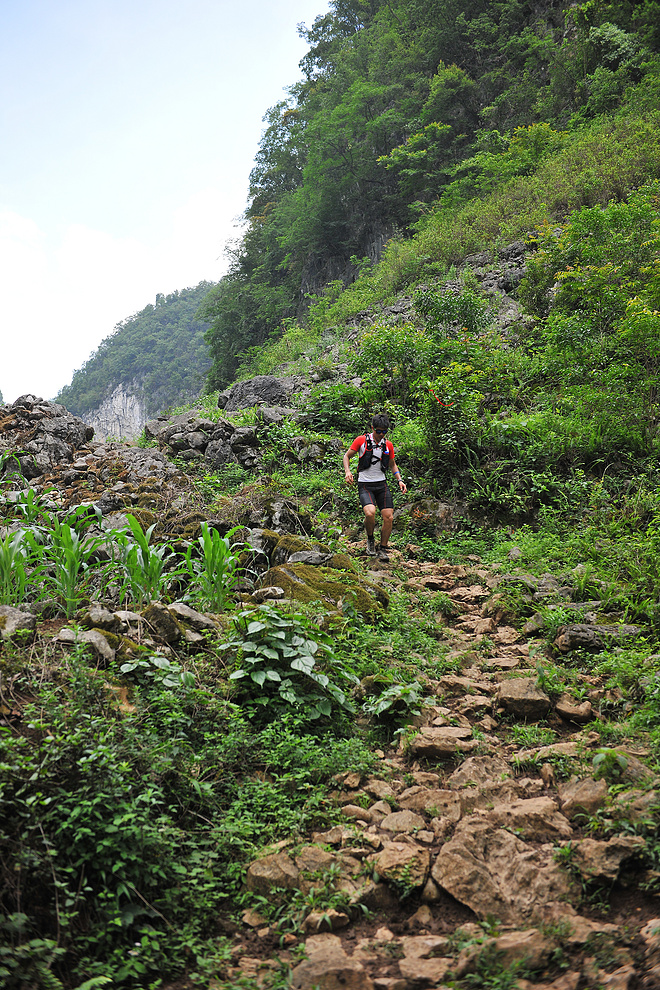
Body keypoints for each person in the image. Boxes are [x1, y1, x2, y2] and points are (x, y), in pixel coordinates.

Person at [343, 413, 407, 561]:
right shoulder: (361, 440)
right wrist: (348, 471)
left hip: (381, 484)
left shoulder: (388, 445)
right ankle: (370, 539)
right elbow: (347, 456)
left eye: (384, 432)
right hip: (365, 484)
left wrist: (399, 480)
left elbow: (392, 464)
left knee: (389, 517)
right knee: (370, 513)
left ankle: (383, 548)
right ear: (373, 428)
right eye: (378, 431)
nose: (381, 434)